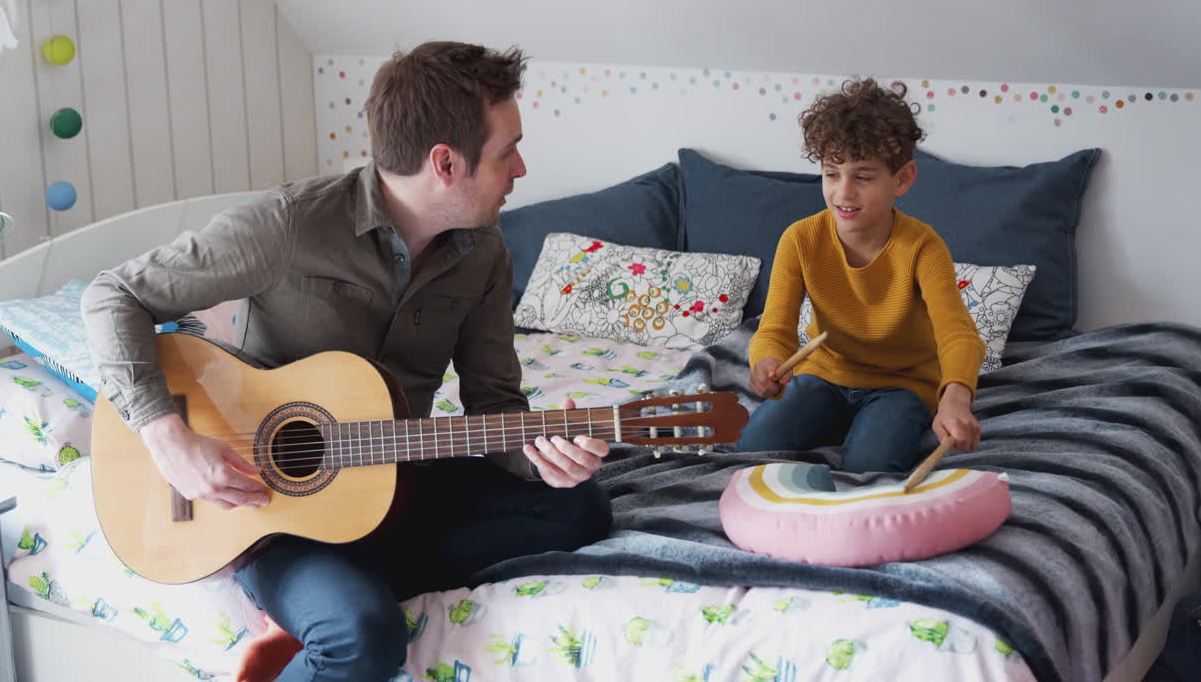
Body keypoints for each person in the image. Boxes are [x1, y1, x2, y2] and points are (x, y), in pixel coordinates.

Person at [82, 41, 613, 681]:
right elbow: (112, 295)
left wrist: (539, 455)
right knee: (361, 634)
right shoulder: (286, 226)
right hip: (261, 507)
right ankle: (323, 597)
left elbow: (495, 405)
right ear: (445, 163)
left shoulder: (485, 255)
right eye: (507, 152)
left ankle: (333, 586)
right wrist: (167, 438)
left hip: (391, 480)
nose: (521, 168)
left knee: (581, 508)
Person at [734, 77, 985, 473]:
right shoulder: (799, 239)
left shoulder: (923, 246)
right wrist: (766, 361)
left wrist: (956, 397)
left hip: (903, 383)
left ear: (902, 179)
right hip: (825, 375)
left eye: (863, 177)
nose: (843, 193)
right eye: (832, 174)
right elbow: (775, 328)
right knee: (750, 453)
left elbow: (957, 333)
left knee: (869, 467)